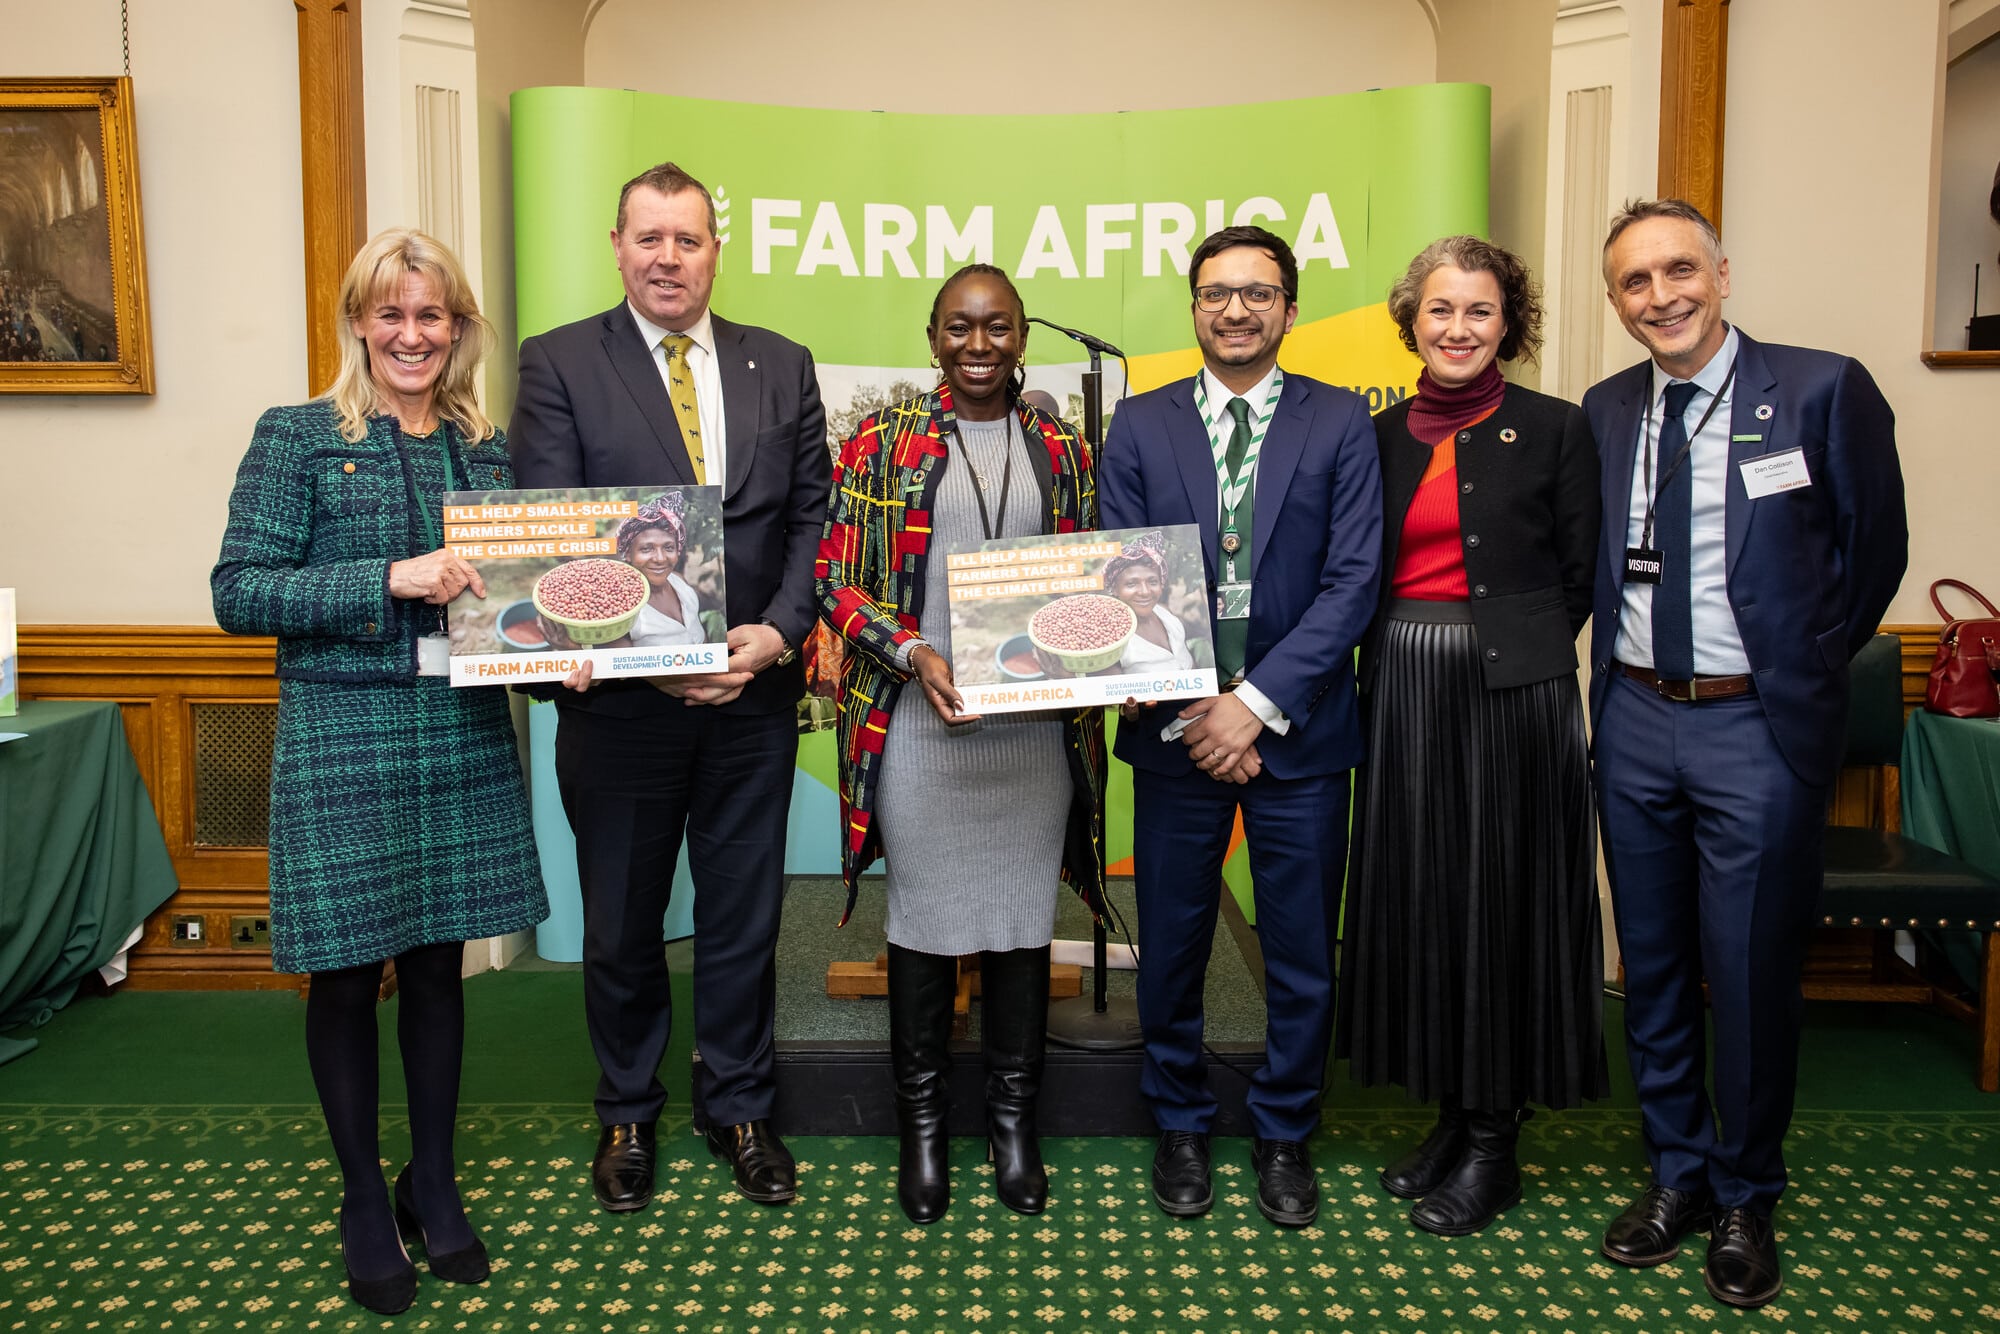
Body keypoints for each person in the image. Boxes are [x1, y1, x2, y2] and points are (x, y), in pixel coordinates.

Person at [211, 228, 547, 1315]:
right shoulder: (298, 435)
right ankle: (364, 1193)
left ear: (458, 329)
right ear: (359, 319)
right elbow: (239, 591)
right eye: (392, 313)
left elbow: (523, 597)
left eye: (433, 315)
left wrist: (568, 657)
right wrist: (388, 577)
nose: (412, 334)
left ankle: (432, 1177)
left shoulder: (487, 449)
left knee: (442, 966)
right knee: (349, 972)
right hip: (343, 733)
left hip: (457, 731)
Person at [1585, 199, 1906, 1309]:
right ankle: (1675, 1170)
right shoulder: (1606, 407)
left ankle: (1744, 1191)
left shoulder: (1818, 389)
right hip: (1630, 715)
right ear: (1614, 299)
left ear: (1721, 274)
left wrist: (1801, 662)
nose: (1659, 296)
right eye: (1634, 281)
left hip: (1753, 725)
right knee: (1655, 963)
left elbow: (1873, 554)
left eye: (1678, 270)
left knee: (1754, 966)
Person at [510, 161, 829, 1211]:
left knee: (743, 919)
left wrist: (773, 636)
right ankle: (627, 1112)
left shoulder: (778, 365)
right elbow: (554, 534)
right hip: (623, 710)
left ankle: (737, 1104)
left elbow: (810, 523)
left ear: (713, 251)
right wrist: (665, 658)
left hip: (753, 701)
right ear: (616, 246)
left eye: (686, 239)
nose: (666, 257)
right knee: (621, 923)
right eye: (647, 238)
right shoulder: (560, 363)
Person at [1097, 225, 1382, 1228]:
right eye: (1216, 292)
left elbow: (1353, 585)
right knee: (1171, 941)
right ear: (1192, 307)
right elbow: (1120, 578)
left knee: (1299, 947)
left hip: (1298, 734)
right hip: (1175, 733)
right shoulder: (1137, 426)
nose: (1235, 310)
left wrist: (1249, 705)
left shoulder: (1341, 421)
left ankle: (1284, 1128)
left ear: (1289, 309)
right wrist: (1198, 708)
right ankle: (1176, 1117)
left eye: (1257, 292)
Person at [816, 264, 1106, 1223]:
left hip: (1031, 737)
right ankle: (926, 1131)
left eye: (997, 328)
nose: (977, 346)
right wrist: (911, 651)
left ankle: (1015, 1127)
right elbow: (836, 580)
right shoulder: (882, 442)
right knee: (927, 925)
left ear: (1025, 337)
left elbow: (1104, 576)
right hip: (919, 725)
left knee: (1024, 923)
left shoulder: (1065, 447)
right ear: (932, 336)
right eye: (958, 328)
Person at [1334, 235, 1605, 1237]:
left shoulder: (1554, 428)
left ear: (1507, 323)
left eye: (1478, 311)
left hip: (1512, 695)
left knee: (1500, 902)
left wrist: (1512, 656)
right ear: (1409, 318)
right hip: (1399, 685)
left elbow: (1581, 576)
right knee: (1427, 900)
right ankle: (1451, 1116)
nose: (1457, 328)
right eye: (1440, 309)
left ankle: (1495, 1142)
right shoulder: (1371, 434)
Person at [614, 491, 716, 648]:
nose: (660, 558)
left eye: (669, 547)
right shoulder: (621, 609)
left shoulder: (679, 581)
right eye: (647, 549)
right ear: (628, 554)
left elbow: (697, 633)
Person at [1103, 531, 1199, 672]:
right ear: (1115, 589)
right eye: (1131, 584)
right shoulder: (1111, 640)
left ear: (1162, 583)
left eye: (1153, 581)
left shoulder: (1165, 614)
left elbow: (1187, 659)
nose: (1145, 591)